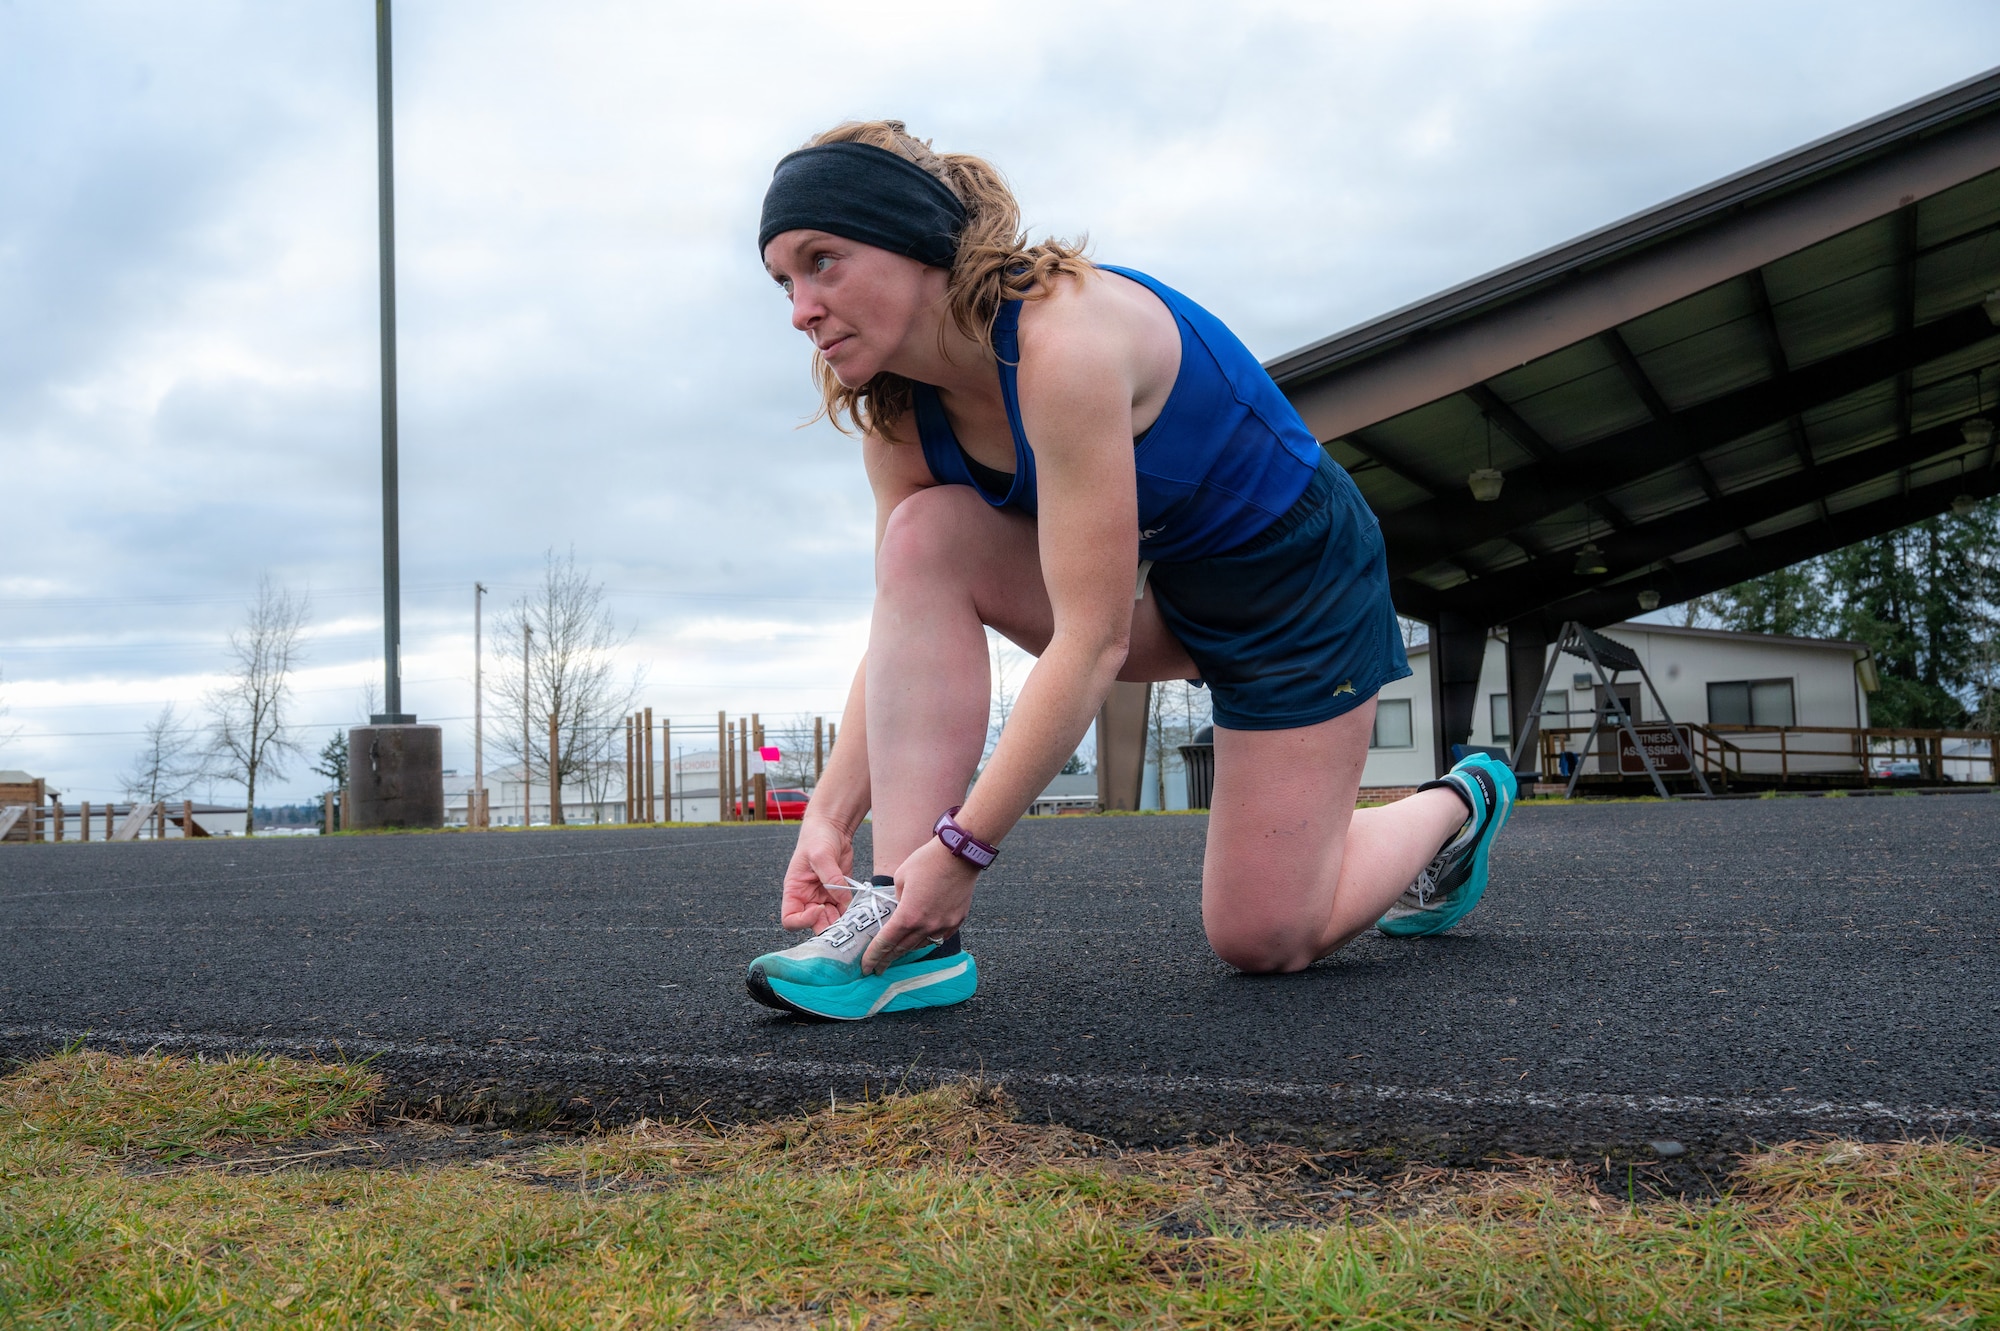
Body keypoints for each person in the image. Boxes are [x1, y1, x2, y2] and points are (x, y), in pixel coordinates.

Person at [745, 121, 1515, 1022]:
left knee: (1264, 938)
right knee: (922, 538)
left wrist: (963, 851)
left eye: (822, 261)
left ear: (915, 239)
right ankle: (904, 936)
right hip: (1165, 590)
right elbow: (899, 622)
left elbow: (1092, 640)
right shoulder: (897, 418)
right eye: (783, 283)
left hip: (1295, 596)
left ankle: (1461, 801)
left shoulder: (1062, 342)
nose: (801, 308)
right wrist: (832, 813)